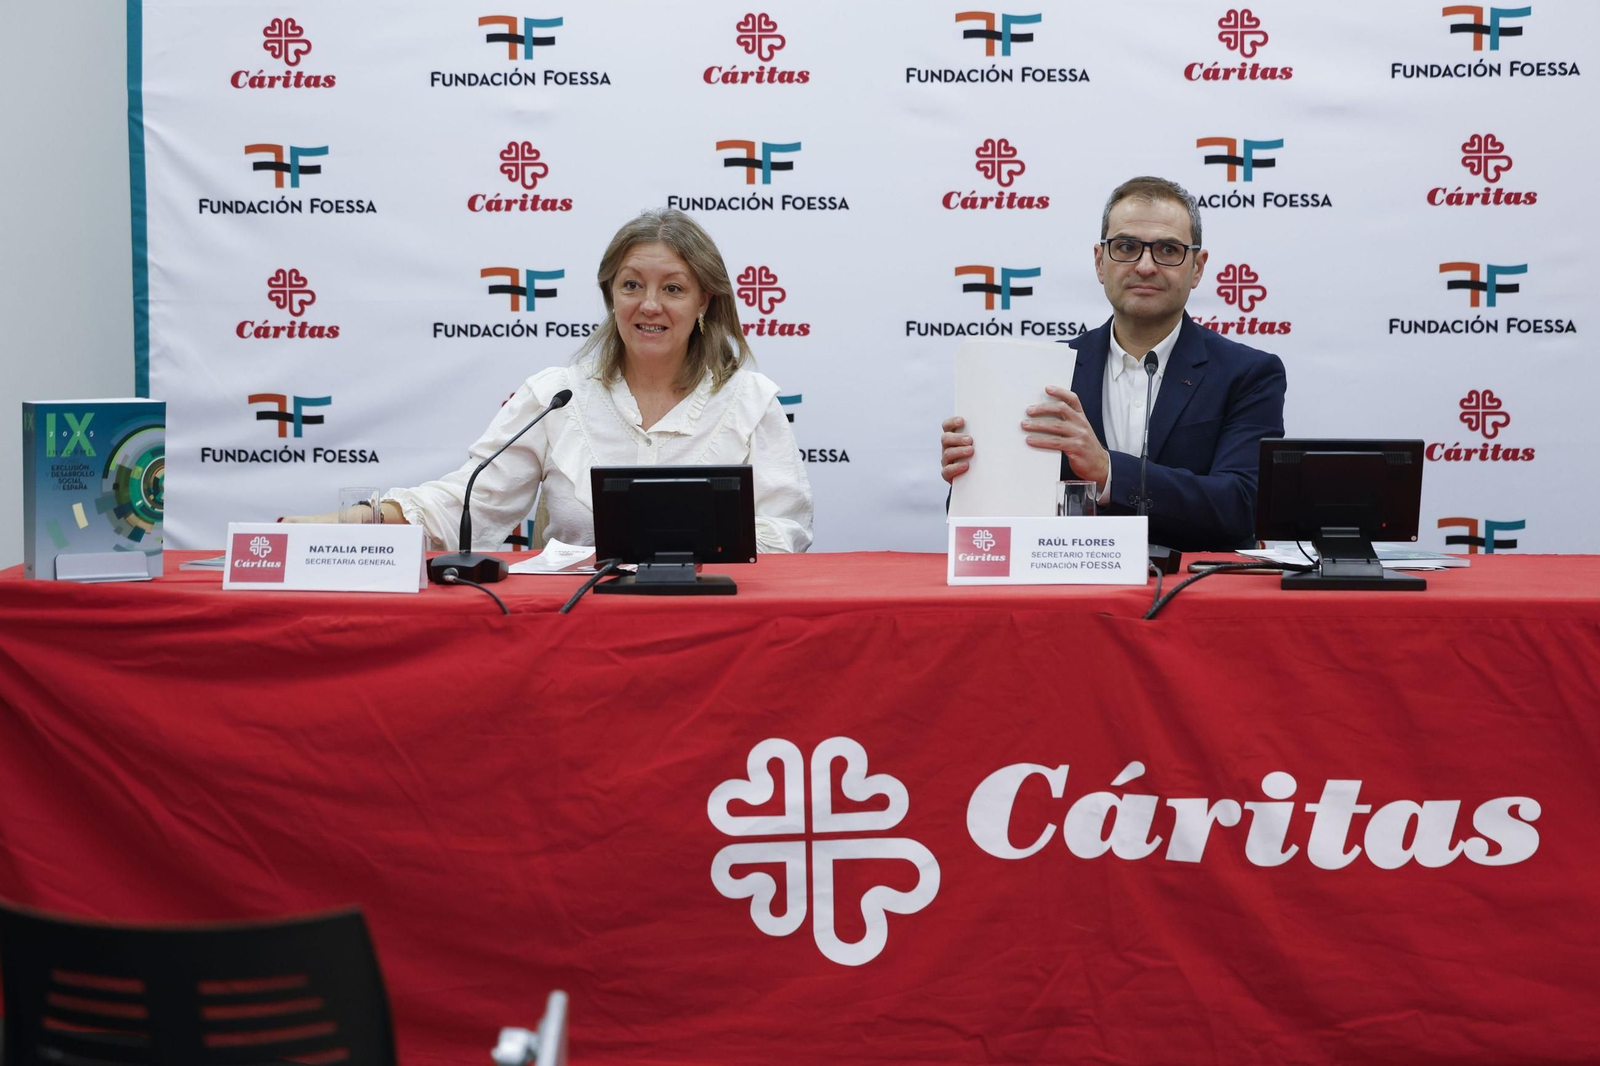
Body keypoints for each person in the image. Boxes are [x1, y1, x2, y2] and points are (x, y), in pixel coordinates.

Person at [286, 208, 813, 552]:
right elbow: (466, 503)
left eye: (673, 289)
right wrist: (344, 525)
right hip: (580, 635)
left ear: (704, 301)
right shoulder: (558, 397)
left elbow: (783, 534)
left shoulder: (750, 402)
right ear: (611, 296)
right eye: (631, 285)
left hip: (716, 632)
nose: (649, 305)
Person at [940, 176, 1286, 551]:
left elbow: (1242, 506)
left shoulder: (1248, 374)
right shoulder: (1041, 373)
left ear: (1198, 268)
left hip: (1193, 593)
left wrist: (1109, 471)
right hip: (1069, 592)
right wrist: (975, 478)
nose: (1146, 266)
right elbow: (990, 525)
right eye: (1126, 247)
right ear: (1100, 262)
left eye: (1168, 250)